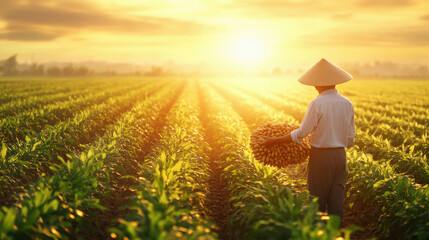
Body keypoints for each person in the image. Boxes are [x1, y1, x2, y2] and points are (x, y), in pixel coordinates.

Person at [262, 58, 355, 220]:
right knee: (337, 203)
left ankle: (318, 234)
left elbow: (301, 133)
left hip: (321, 157)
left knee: (317, 202)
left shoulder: (317, 103)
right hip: (341, 156)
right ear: (335, 83)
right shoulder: (347, 103)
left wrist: (274, 141)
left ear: (317, 84)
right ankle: (336, 234)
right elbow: (350, 138)